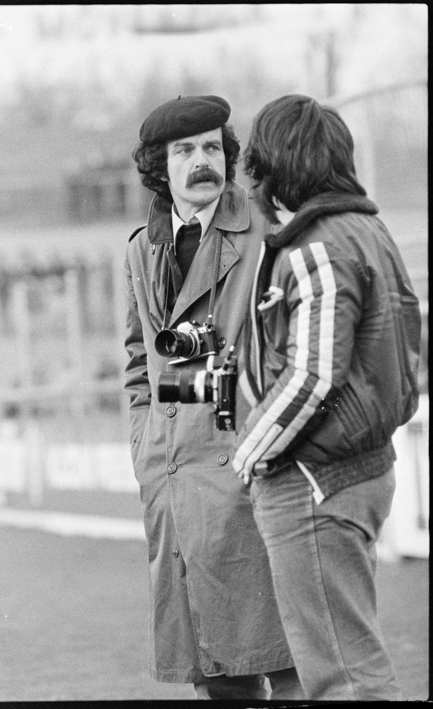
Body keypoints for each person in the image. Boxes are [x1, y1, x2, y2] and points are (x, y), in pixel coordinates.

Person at [233, 94, 422, 701]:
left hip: (317, 481)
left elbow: (312, 377)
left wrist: (248, 457)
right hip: (364, 468)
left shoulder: (315, 244)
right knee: (354, 660)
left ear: (273, 166)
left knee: (341, 678)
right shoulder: (370, 228)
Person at [124, 95, 303, 700]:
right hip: (175, 479)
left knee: (288, 662)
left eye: (211, 148)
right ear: (160, 167)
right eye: (184, 151)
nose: (203, 162)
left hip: (250, 472)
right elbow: (139, 364)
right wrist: (146, 445)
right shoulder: (140, 247)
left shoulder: (267, 232)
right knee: (218, 679)